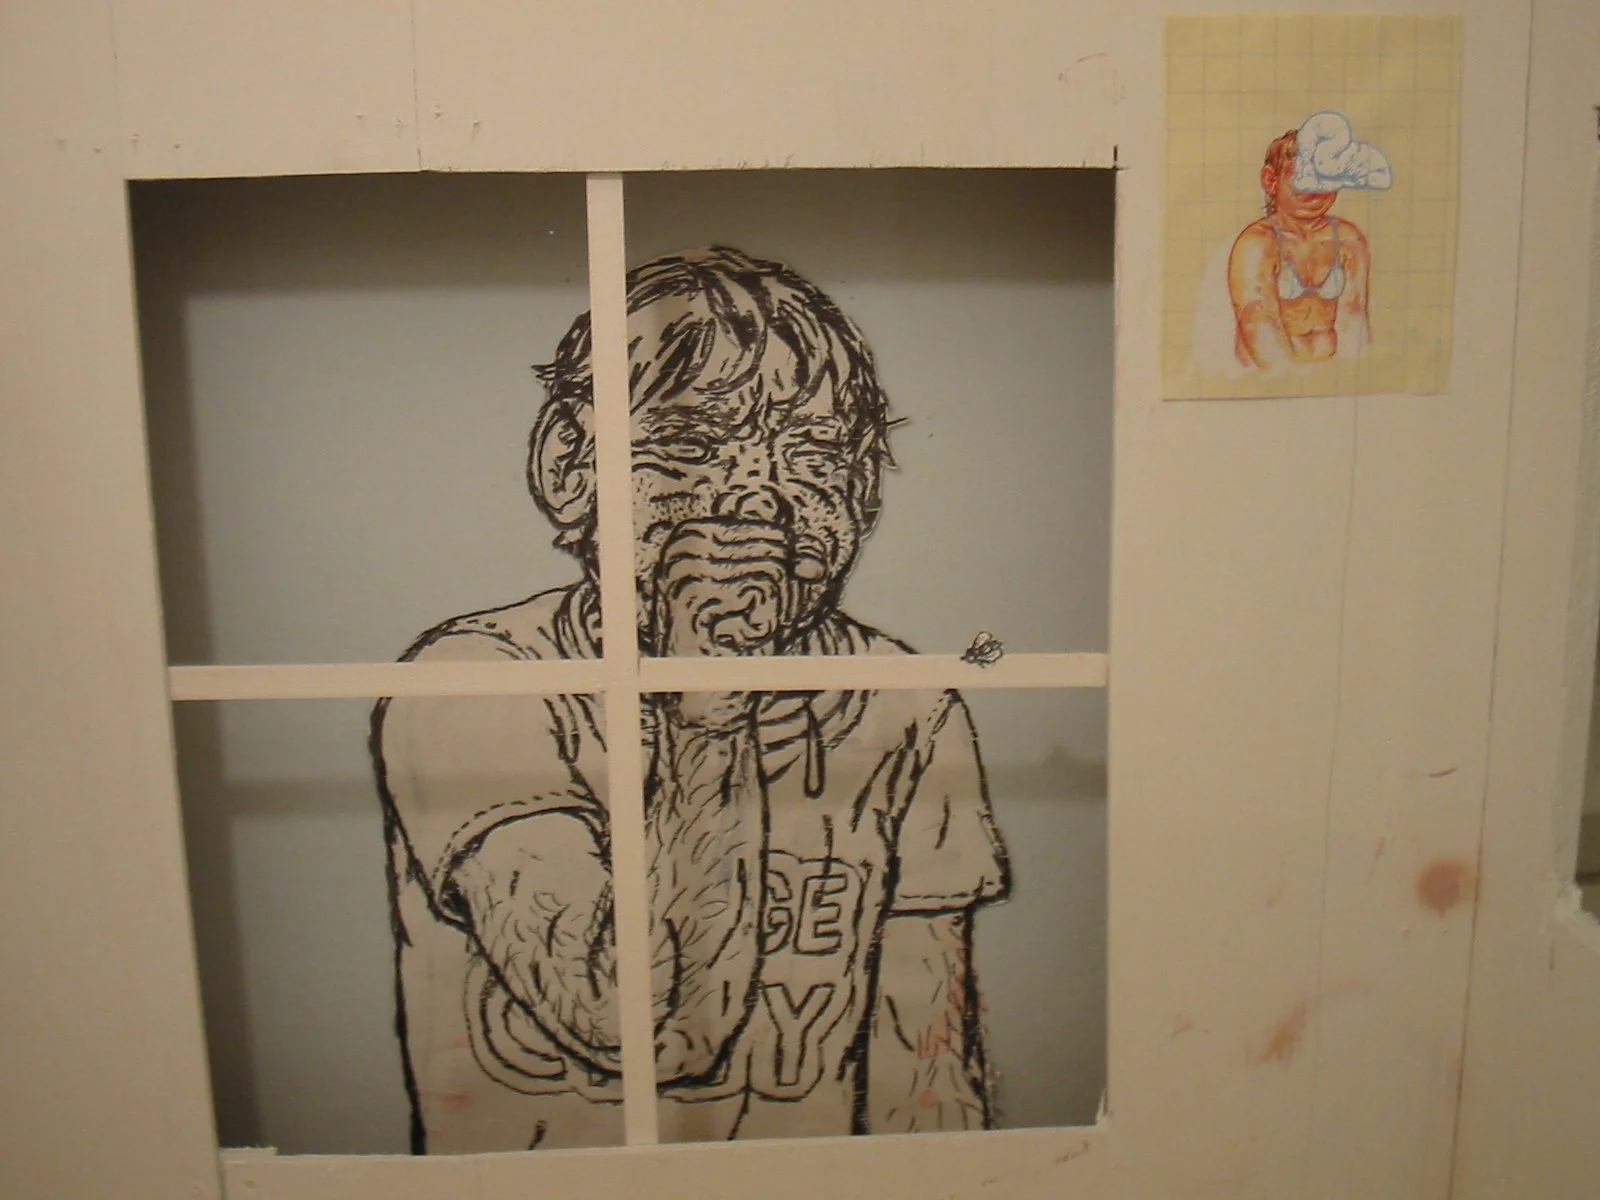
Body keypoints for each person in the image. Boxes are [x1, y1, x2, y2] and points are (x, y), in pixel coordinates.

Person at [372, 246, 1011, 1152]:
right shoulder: (476, 682)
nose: (756, 499)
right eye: (691, 446)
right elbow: (646, 1027)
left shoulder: (901, 701)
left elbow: (927, 1073)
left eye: (812, 454)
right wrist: (705, 692)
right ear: (570, 465)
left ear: (862, 485)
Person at [1228, 128, 1372, 369]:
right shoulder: (1257, 243)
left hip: (1331, 371)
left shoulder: (1348, 239)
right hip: (1269, 374)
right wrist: (1292, 379)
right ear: (1271, 180)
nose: (1315, 189)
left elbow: (1355, 317)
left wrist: (1351, 373)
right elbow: (1258, 325)